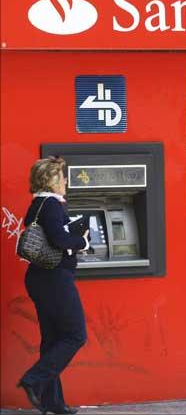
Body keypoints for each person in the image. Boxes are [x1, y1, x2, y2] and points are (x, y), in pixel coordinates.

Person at [17, 157, 90, 415]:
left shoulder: (39, 203)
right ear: (52, 180)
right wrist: (82, 241)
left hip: (40, 278)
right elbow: (59, 239)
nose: (66, 181)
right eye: (63, 176)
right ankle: (33, 380)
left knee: (52, 340)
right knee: (75, 334)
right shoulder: (51, 205)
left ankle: (53, 402)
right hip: (54, 278)